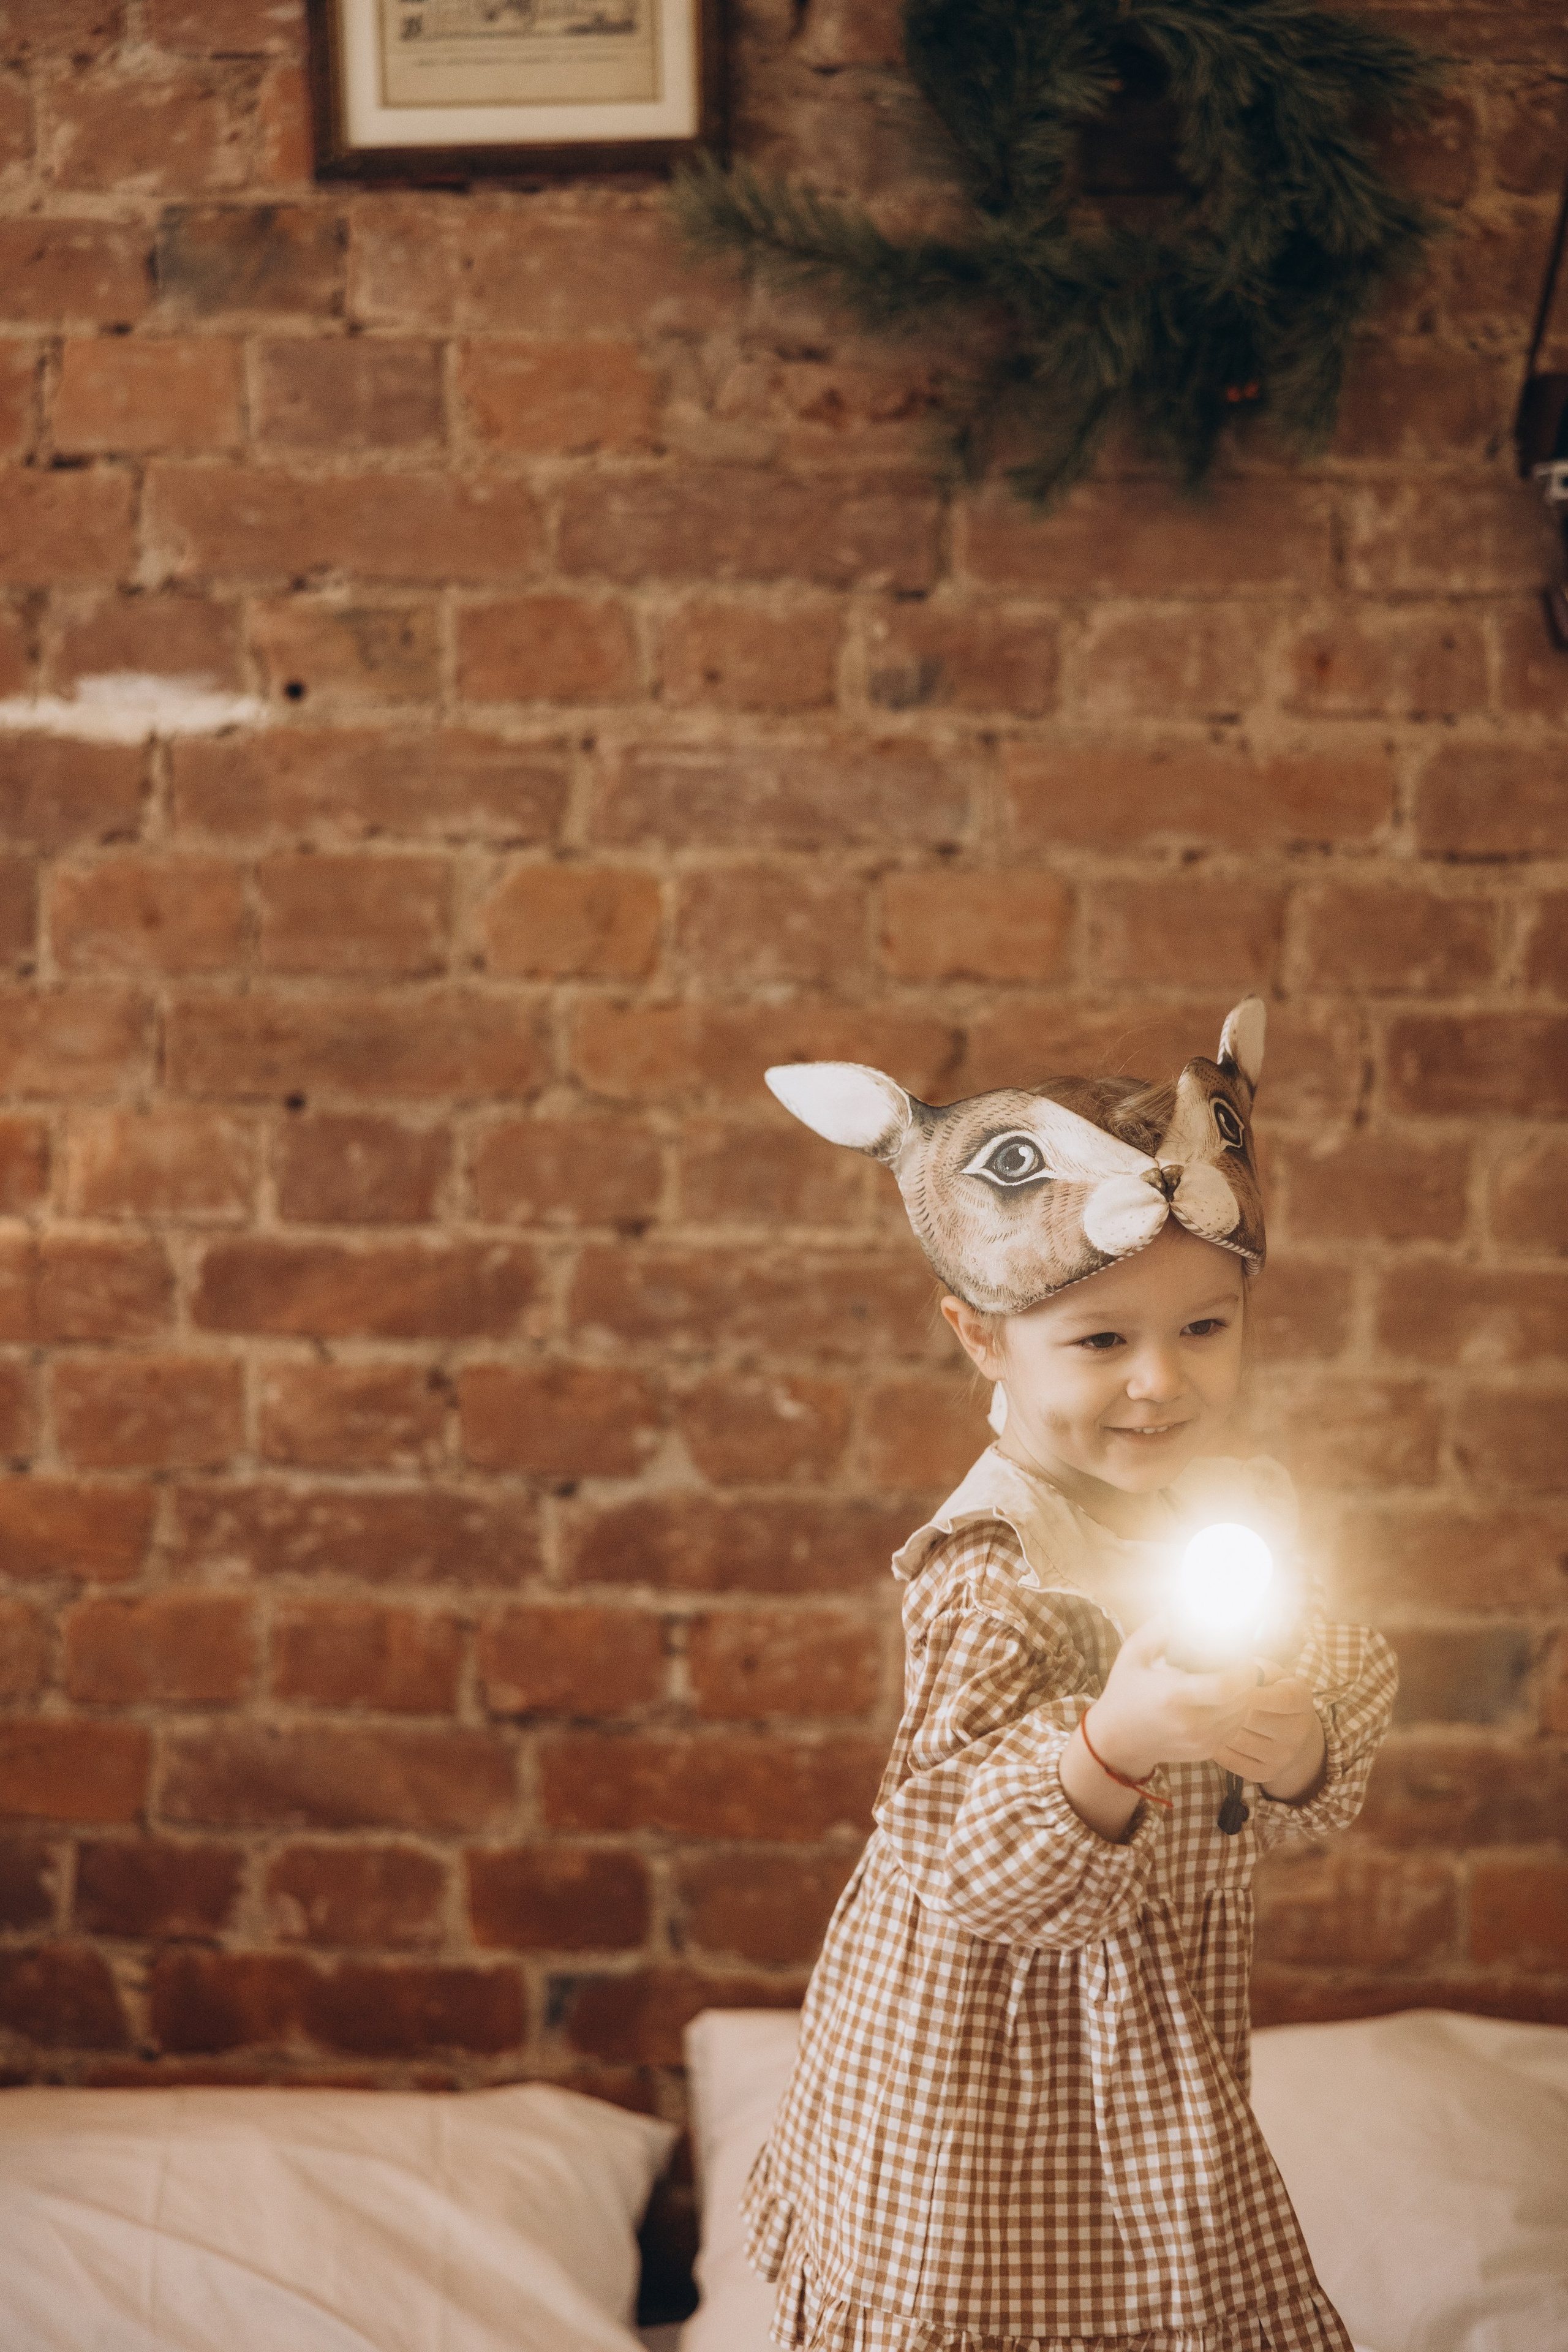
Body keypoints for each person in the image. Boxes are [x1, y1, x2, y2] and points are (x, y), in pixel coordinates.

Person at [742, 999, 1396, 2352]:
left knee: (1171, 2274)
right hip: (981, 2058)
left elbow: (1336, 1679)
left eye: (1204, 1329)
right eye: (1101, 1343)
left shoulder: (1235, 1511)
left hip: (1159, 2031)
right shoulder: (992, 1565)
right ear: (983, 1337)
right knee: (1002, 2298)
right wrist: (1110, 1743)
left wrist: (1295, 1748)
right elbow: (962, 1859)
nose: (1160, 1384)